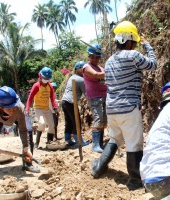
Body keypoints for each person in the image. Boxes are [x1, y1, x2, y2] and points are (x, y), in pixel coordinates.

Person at [91, 21, 157, 190]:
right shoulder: (133, 56)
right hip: (129, 108)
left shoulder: (109, 61)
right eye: (134, 42)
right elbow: (153, 65)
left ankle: (98, 167)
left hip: (112, 109)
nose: (135, 44)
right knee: (134, 143)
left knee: (115, 138)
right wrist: (147, 44)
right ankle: (135, 181)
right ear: (129, 41)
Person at [26, 67, 58, 148]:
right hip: (38, 108)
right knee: (42, 124)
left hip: (46, 108)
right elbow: (30, 98)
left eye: (47, 78)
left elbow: (52, 98)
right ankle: (36, 142)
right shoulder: (36, 86)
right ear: (40, 76)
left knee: (51, 125)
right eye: (44, 78)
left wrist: (55, 107)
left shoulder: (50, 86)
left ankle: (49, 143)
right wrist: (27, 109)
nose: (45, 80)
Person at [83, 44, 107, 153]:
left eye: (97, 57)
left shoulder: (101, 68)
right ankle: (95, 144)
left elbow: (104, 79)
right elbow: (96, 75)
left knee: (103, 120)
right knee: (98, 119)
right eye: (92, 56)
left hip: (105, 96)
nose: (94, 59)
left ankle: (100, 143)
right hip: (94, 97)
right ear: (89, 56)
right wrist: (110, 71)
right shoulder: (86, 67)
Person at [61, 61, 89, 147]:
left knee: (69, 121)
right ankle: (79, 141)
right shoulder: (81, 80)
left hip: (64, 102)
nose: (84, 70)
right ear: (77, 70)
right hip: (71, 102)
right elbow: (86, 93)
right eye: (82, 69)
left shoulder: (72, 77)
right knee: (76, 122)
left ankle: (68, 140)